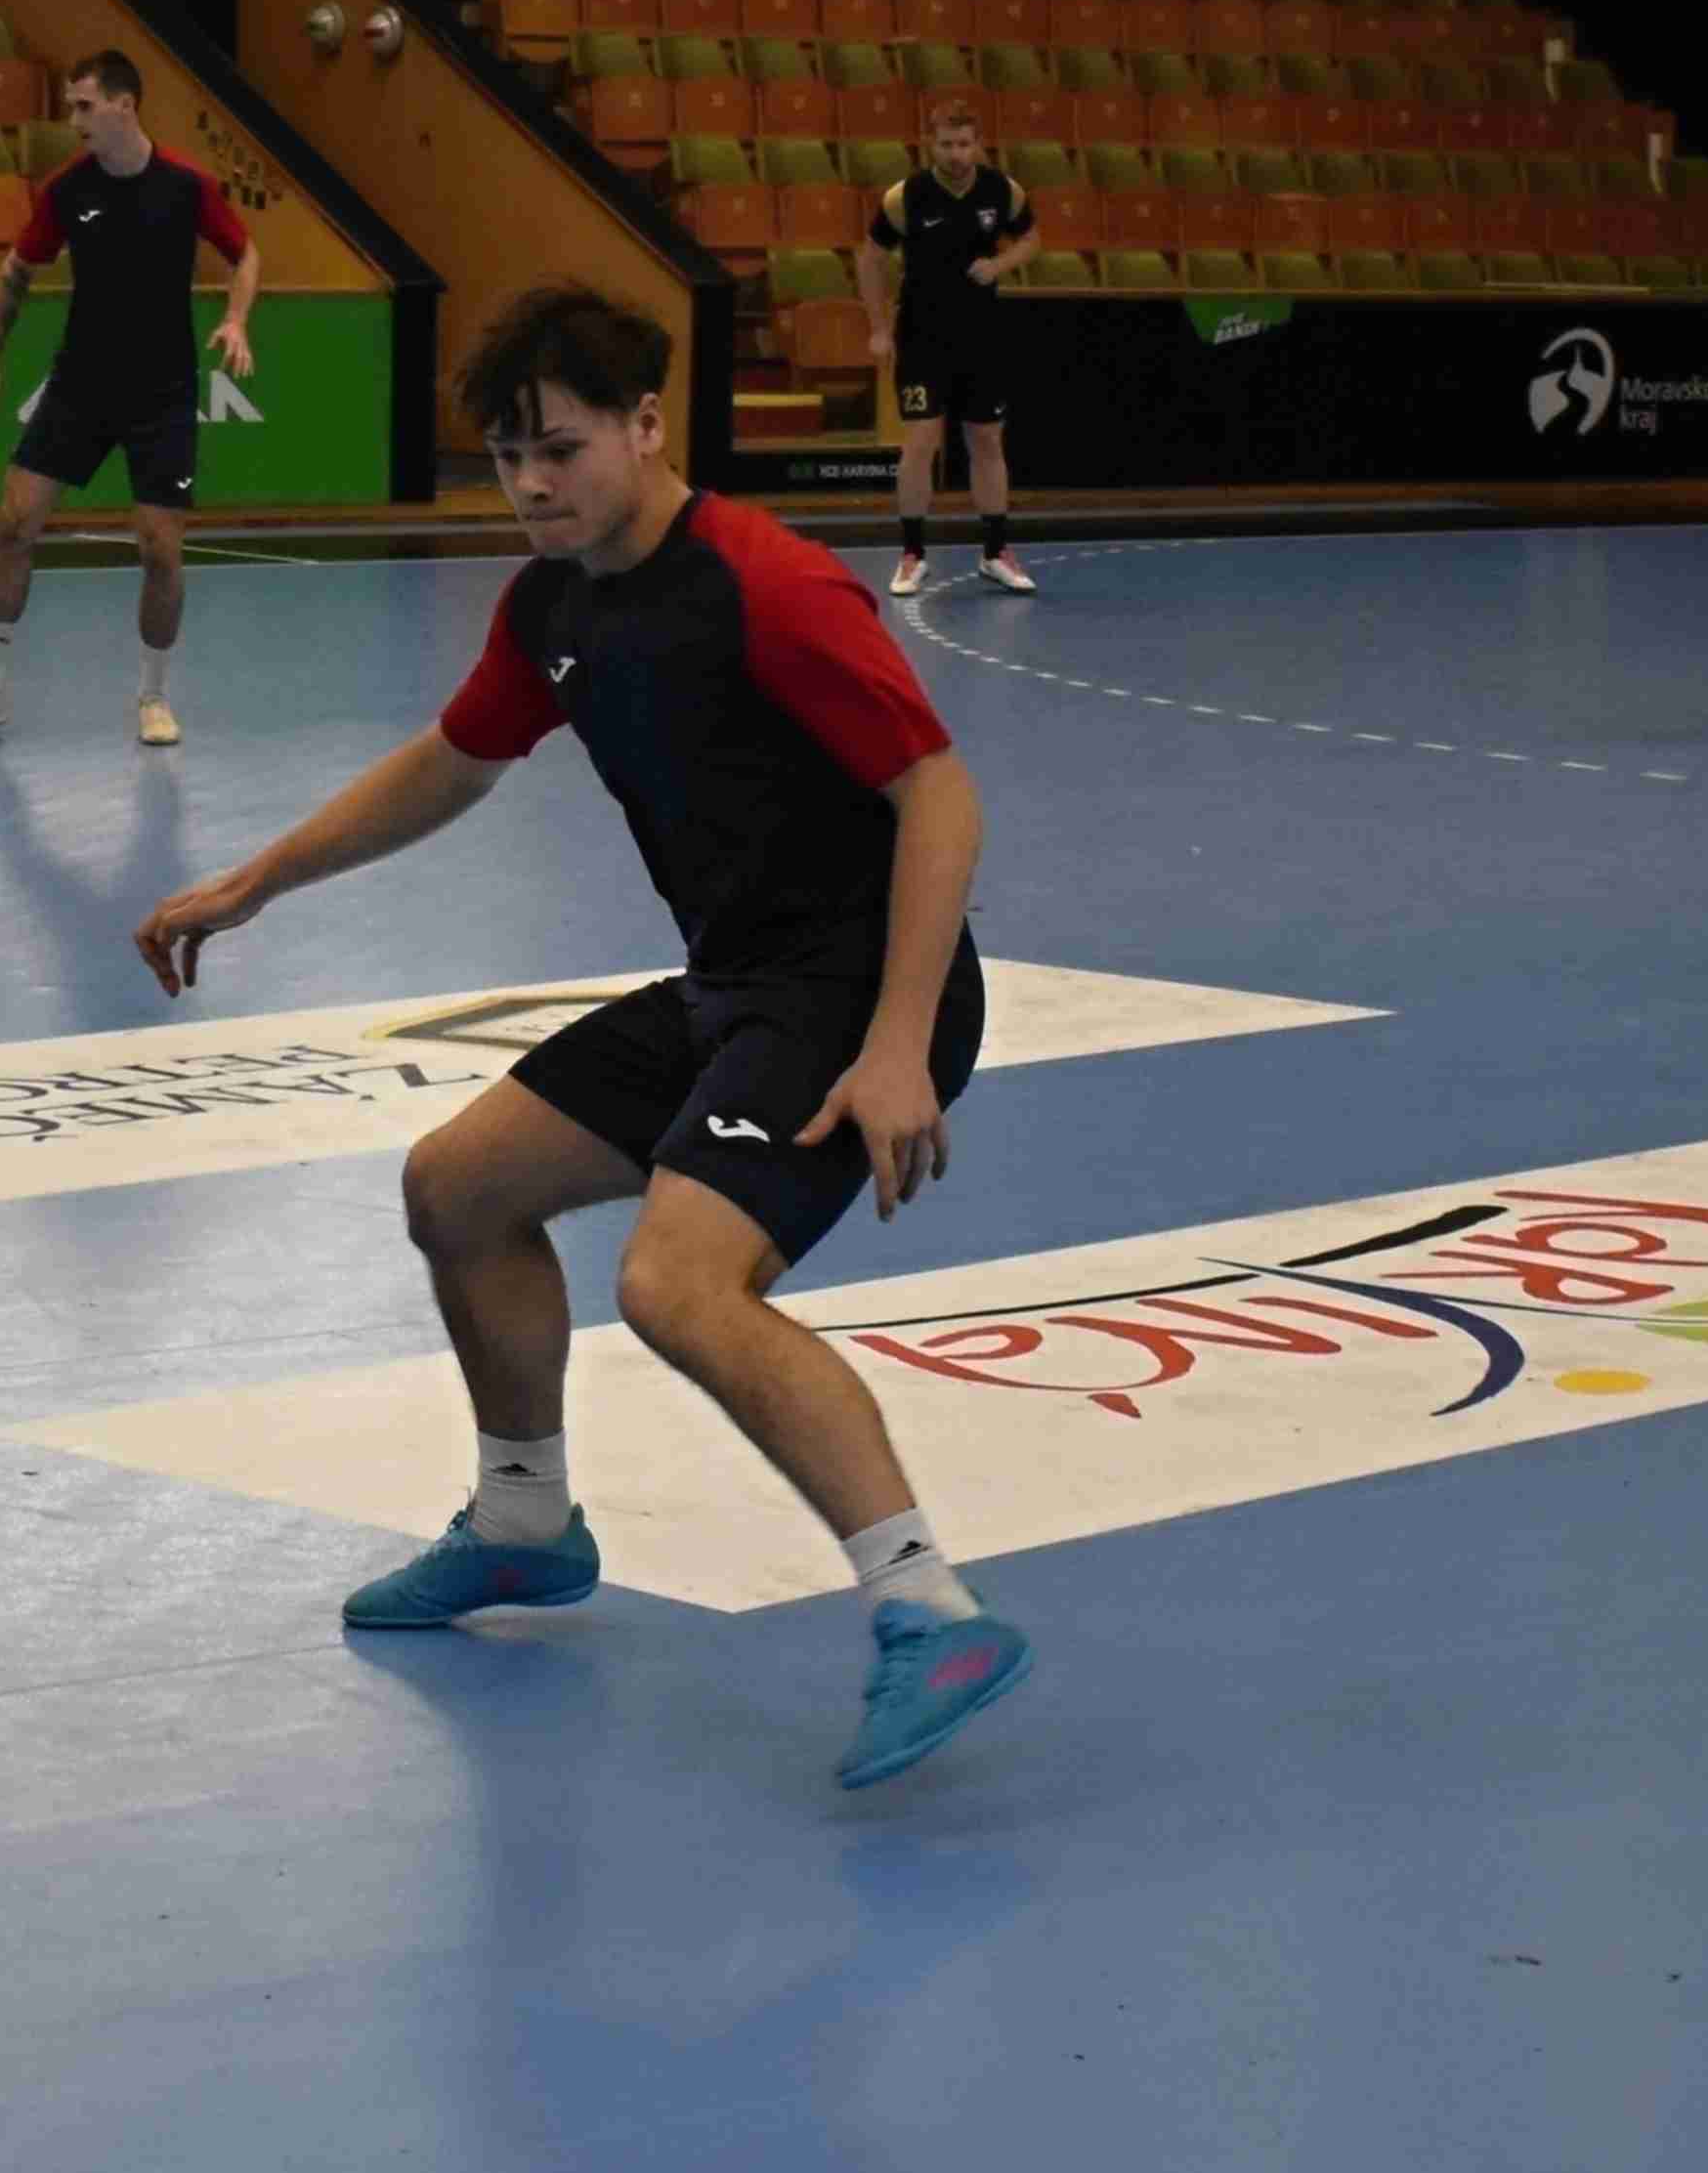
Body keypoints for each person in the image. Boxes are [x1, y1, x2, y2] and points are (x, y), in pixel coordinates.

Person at [130, 284, 1037, 1795]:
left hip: (863, 993)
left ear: (646, 425)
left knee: (677, 1284)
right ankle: (524, 1522)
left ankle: (929, 1609)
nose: (533, 483)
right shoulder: (554, 607)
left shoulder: (767, 584)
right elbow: (453, 761)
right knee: (458, 1186)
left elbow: (937, 793)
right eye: (508, 458)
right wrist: (257, 880)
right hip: (733, 984)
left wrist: (894, 1048)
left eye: (560, 448)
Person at [0, 51, 258, 746]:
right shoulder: (66, 191)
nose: (72, 119)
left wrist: (235, 319)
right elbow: (16, 273)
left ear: (124, 105)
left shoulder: (187, 185)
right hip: (80, 384)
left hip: (162, 392)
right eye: (71, 106)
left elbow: (245, 254)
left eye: (83, 105)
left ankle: (153, 697)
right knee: (13, 524)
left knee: (160, 550)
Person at [864, 101, 1041, 598]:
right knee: (921, 441)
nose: (956, 154)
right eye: (946, 144)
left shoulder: (1002, 190)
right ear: (930, 144)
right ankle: (912, 554)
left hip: (982, 337)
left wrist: (999, 266)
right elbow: (872, 259)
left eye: (964, 144)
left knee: (986, 440)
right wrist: (879, 328)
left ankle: (995, 552)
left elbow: (1031, 239)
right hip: (922, 337)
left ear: (977, 144)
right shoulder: (906, 196)